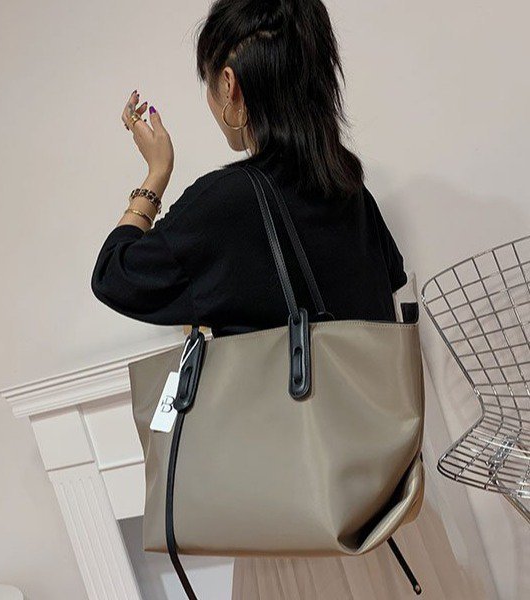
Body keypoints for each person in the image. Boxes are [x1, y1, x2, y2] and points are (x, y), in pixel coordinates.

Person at [91, 1, 484, 598]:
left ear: (230, 85)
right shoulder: (349, 189)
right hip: (387, 518)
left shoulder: (226, 203)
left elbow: (115, 274)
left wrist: (155, 174)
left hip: (293, 532)